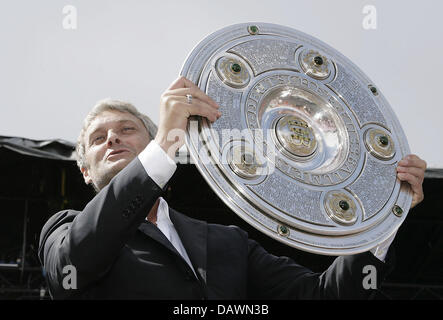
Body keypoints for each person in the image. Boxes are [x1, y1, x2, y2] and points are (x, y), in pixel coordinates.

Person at [38, 76, 426, 299]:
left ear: (149, 139)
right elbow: (73, 265)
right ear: (85, 171)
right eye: (98, 138)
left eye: (126, 130)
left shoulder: (228, 242)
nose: (112, 140)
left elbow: (324, 297)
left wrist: (384, 214)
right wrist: (164, 148)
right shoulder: (64, 230)